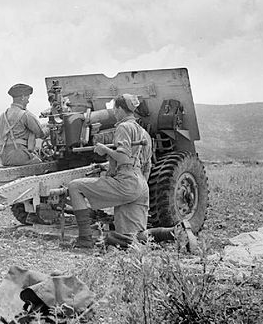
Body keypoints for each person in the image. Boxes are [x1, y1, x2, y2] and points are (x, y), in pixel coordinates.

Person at [67, 94, 197, 252]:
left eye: (115, 108)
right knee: (133, 236)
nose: (114, 112)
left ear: (121, 109)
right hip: (141, 184)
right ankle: (176, 231)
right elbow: (147, 166)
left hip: (127, 182)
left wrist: (104, 149)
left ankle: (85, 239)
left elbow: (124, 157)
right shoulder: (144, 134)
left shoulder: (123, 127)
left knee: (75, 187)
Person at [0, 83, 47, 166]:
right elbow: (40, 134)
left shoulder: (3, 116)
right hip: (19, 155)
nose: (28, 101)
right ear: (23, 97)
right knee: (42, 165)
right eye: (28, 97)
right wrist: (49, 128)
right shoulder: (25, 115)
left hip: (4, 157)